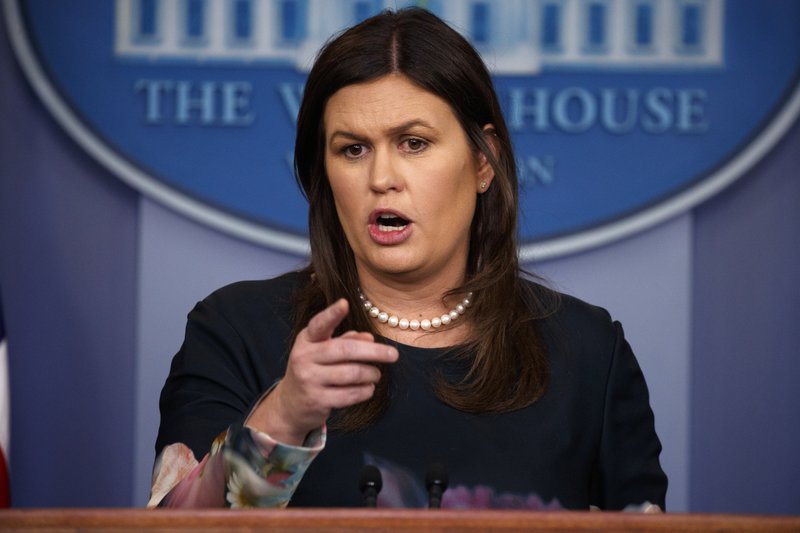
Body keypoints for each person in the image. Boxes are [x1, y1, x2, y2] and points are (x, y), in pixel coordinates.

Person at [149, 7, 667, 510]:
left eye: (414, 143)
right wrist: (284, 416)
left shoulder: (589, 355)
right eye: (353, 149)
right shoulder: (235, 331)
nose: (381, 178)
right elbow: (173, 532)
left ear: (484, 162)